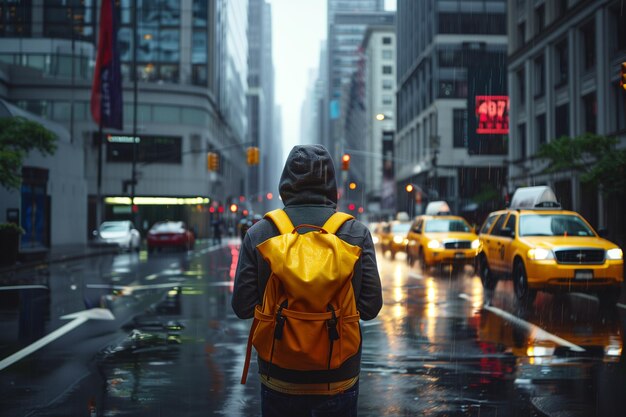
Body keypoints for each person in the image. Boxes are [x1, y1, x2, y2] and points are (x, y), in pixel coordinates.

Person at [231, 144, 383, 417]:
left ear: (286, 182)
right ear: (331, 183)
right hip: (338, 377)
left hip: (278, 376)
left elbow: (242, 307)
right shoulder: (355, 233)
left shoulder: (259, 233)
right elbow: (371, 308)